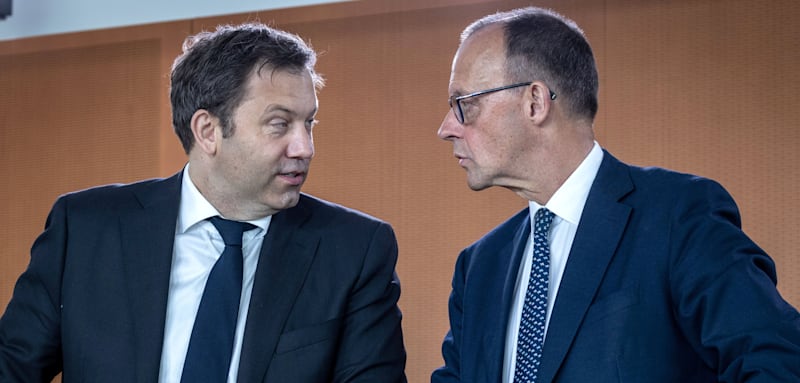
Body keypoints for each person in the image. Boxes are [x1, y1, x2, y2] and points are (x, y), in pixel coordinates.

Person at [0, 23, 406, 382]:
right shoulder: (85, 229)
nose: (304, 147)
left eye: (309, 123)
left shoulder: (355, 250)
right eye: (280, 124)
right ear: (208, 131)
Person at [432, 7, 800, 383]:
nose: (446, 129)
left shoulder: (678, 217)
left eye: (465, 104)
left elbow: (778, 362)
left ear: (535, 102)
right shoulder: (478, 268)